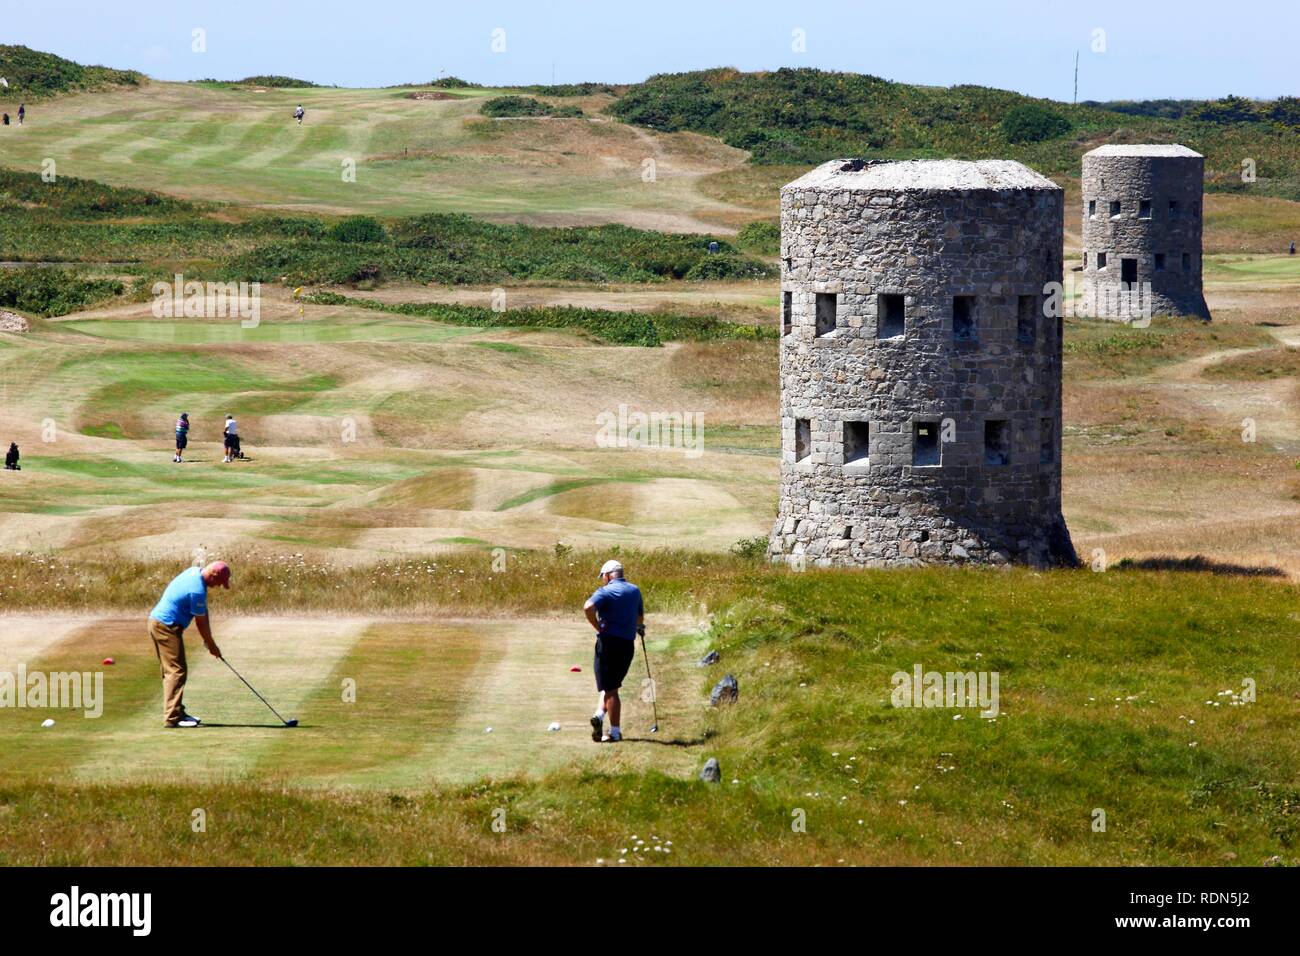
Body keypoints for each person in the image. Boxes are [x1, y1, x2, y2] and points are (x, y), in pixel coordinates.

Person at [147, 561, 228, 727]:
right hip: (166, 626)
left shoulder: (194, 572)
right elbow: (201, 622)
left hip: (159, 622)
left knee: (172, 670)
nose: (219, 586)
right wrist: (212, 645)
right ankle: (173, 717)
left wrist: (210, 643)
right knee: (176, 671)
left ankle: (177, 711)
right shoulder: (196, 590)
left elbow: (203, 613)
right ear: (213, 575)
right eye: (219, 582)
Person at [583, 559, 644, 743]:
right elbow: (640, 617)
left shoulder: (606, 591)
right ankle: (599, 715)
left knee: (610, 689)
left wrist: (598, 626)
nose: (602, 580)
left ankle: (615, 733)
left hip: (608, 644)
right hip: (627, 645)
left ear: (609, 575)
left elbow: (588, 607)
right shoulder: (635, 590)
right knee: (612, 686)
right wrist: (639, 628)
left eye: (603, 577)